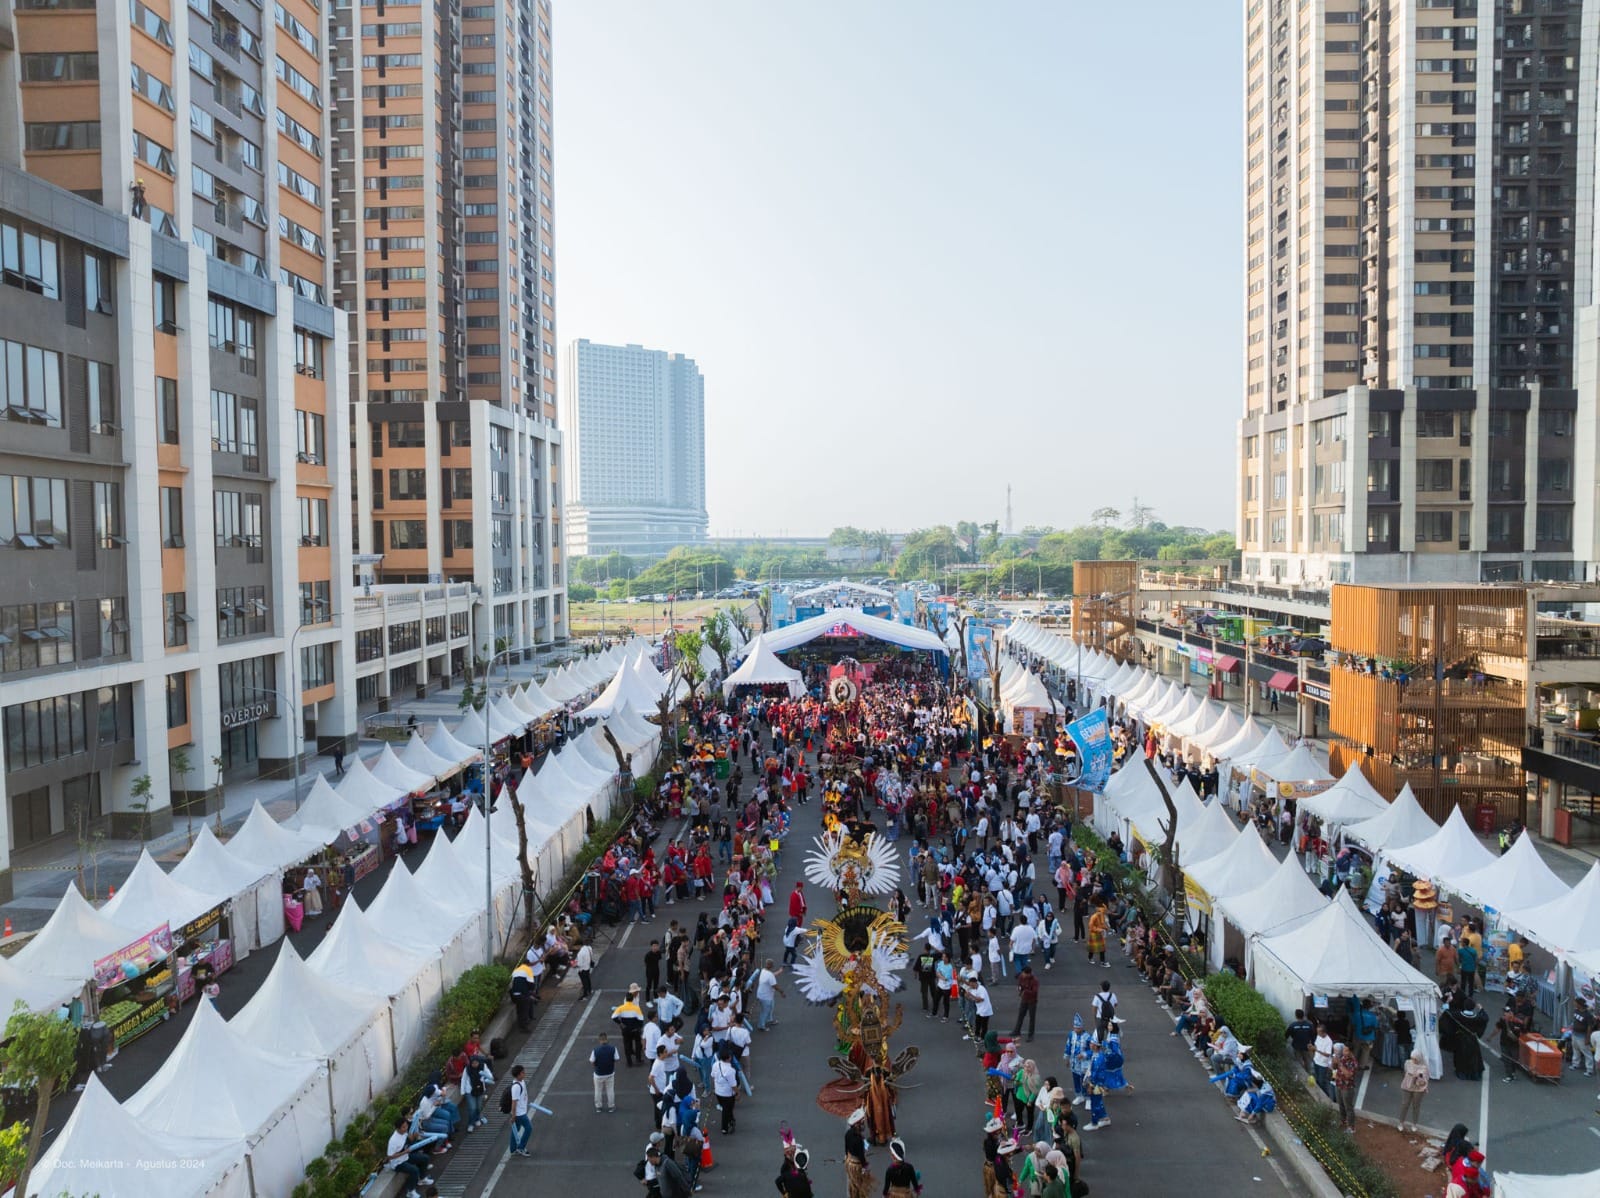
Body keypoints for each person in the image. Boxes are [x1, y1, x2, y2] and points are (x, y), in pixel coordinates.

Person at [384, 1115, 433, 1197]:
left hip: (406, 1157)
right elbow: (390, 1156)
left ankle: (422, 1178)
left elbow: (409, 1140)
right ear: (398, 1128)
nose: (406, 1128)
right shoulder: (393, 1140)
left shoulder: (404, 1133)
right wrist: (405, 1152)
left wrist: (414, 1137)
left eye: (406, 1126)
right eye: (403, 1127)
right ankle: (410, 1191)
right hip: (398, 1163)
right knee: (414, 1170)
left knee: (425, 1158)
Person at [613, 983, 647, 1066]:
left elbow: (614, 1017)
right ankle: (638, 1059)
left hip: (625, 1028)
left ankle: (629, 1062)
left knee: (627, 1044)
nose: (638, 992)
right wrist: (639, 1027)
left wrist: (620, 1023)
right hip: (634, 1027)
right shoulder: (636, 1008)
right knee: (638, 1043)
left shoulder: (621, 1007)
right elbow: (641, 1019)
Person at [844, 1107, 873, 1198]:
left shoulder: (848, 1133)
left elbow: (846, 1148)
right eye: (861, 1123)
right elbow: (861, 1156)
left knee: (853, 1184)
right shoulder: (858, 1139)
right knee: (859, 1185)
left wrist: (846, 1157)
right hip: (856, 1165)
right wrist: (865, 1166)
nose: (863, 1125)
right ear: (857, 1124)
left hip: (850, 1162)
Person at [1397, 1048, 1428, 1132]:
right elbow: (1405, 1072)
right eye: (1412, 1058)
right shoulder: (1407, 1063)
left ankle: (1414, 1124)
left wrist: (1418, 1076)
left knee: (1416, 1106)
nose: (1413, 1060)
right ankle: (1401, 1122)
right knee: (1405, 1104)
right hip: (1407, 1086)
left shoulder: (1424, 1067)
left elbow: (1423, 1079)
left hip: (1418, 1089)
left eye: (1415, 1058)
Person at [710, 1048, 739, 1134]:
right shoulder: (730, 1070)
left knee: (725, 1108)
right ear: (729, 1058)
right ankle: (725, 1128)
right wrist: (738, 1093)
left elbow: (713, 1076)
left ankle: (731, 1120)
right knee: (727, 1110)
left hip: (718, 1092)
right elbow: (733, 1085)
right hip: (728, 1094)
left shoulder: (715, 1065)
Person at [1332, 1043, 1359, 1132]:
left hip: (1347, 1088)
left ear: (1350, 1052)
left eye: (1345, 1050)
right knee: (1341, 1105)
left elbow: (1348, 1075)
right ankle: (1342, 1120)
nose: (1343, 1052)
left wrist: (1339, 1064)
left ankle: (1351, 1127)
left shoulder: (1354, 1062)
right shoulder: (1343, 1058)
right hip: (1339, 1084)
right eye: (1343, 1050)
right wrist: (1334, 1062)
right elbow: (1335, 1068)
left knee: (1348, 1107)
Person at [754, 958, 785, 1031]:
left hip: (764, 995)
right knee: (765, 1011)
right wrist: (782, 992)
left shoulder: (763, 971)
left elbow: (771, 976)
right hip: (766, 997)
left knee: (771, 1007)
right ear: (771, 965)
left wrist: (779, 972)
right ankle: (761, 1026)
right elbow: (775, 986)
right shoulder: (770, 975)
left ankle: (769, 1019)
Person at [590, 1032, 617, 1114]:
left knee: (598, 1090)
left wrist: (596, 1065)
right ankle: (611, 1106)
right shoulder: (613, 1048)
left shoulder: (595, 1050)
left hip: (598, 1074)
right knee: (610, 1090)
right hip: (610, 1073)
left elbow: (592, 1061)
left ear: (599, 1040)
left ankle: (598, 1107)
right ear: (606, 1039)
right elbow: (617, 1058)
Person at [508, 1064, 532, 1157]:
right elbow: (514, 1102)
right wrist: (513, 1116)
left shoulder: (522, 1082)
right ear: (518, 1075)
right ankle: (521, 1148)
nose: (524, 1074)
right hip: (519, 1113)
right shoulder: (516, 1087)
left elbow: (523, 1096)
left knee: (516, 1130)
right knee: (529, 1128)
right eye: (522, 1072)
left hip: (520, 1111)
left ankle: (513, 1149)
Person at [1012, 964, 1039, 1041]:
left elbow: (1034, 991)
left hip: (1032, 1001)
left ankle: (1031, 1035)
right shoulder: (1021, 977)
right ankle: (1017, 1030)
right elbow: (1020, 984)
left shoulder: (1034, 981)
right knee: (1020, 1015)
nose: (1022, 975)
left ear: (1028, 974)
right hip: (1024, 999)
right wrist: (1020, 989)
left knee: (1032, 1018)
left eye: (1024, 973)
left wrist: (1025, 991)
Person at [1312, 1024, 1335, 1098]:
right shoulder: (1318, 1036)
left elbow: (1328, 1054)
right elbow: (1316, 1045)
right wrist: (1312, 1048)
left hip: (1323, 1064)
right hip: (1316, 1060)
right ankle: (1319, 1095)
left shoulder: (1329, 1041)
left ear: (1323, 1032)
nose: (1317, 1033)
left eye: (1318, 1032)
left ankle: (1326, 1096)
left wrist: (1317, 1050)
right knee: (1317, 1079)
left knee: (1322, 1081)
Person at [1086, 902, 1109, 967]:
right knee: (1093, 948)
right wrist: (1100, 929)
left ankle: (1102, 961)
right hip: (1094, 934)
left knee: (1102, 948)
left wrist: (1106, 928)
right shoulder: (1094, 917)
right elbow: (1091, 927)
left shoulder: (1101, 915)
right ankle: (1091, 958)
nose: (1103, 913)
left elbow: (1102, 924)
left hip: (1099, 933)